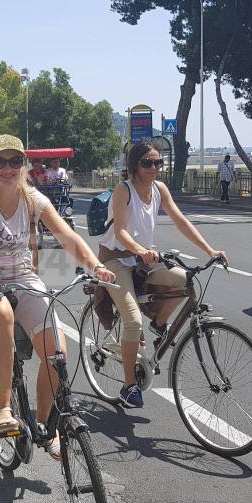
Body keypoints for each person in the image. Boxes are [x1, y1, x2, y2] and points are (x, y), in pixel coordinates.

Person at [0, 134, 115, 459]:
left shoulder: (32, 199)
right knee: (1, 314)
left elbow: (68, 236)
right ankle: (3, 409)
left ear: (24, 166)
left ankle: (45, 426)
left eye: (15, 161)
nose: (8, 168)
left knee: (57, 352)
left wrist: (96, 266)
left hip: (23, 278)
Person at [99, 141, 227, 408]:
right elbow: (121, 231)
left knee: (184, 280)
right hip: (116, 259)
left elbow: (180, 220)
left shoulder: (159, 189)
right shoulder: (124, 190)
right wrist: (139, 250)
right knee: (133, 321)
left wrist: (209, 249)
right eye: (148, 163)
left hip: (144, 257)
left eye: (159, 163)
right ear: (135, 165)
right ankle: (128, 386)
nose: (154, 168)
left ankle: (159, 321)